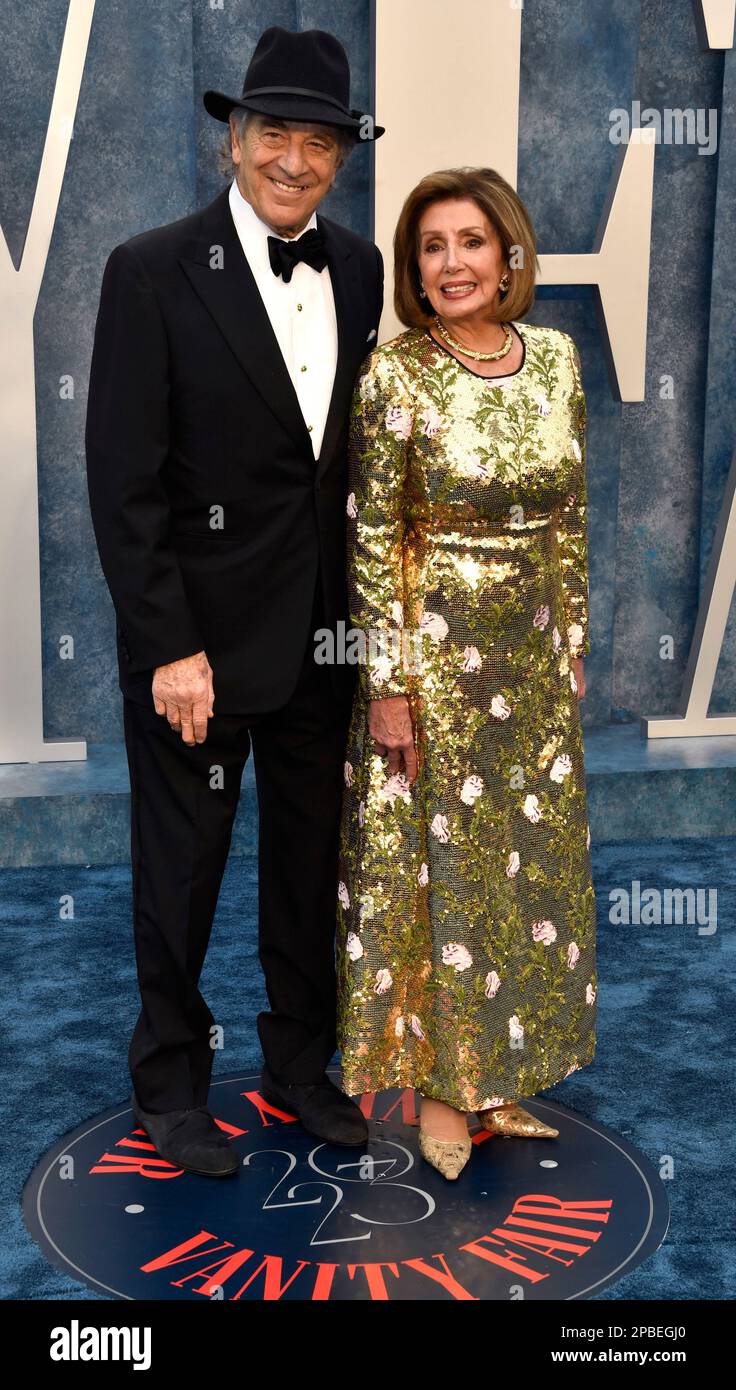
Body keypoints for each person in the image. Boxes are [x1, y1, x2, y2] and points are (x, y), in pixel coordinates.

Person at [85, 26, 385, 1175]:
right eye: (274, 135)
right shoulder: (149, 268)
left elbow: (344, 468)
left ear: (341, 160)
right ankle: (169, 1078)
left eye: (318, 142)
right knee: (184, 868)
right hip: (197, 649)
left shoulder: (356, 268)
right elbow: (123, 480)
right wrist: (168, 645)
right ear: (233, 138)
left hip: (321, 636)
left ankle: (301, 1065)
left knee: (311, 867)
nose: (293, 161)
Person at [336, 166, 597, 1180]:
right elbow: (372, 538)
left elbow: (571, 517)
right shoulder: (397, 374)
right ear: (416, 268)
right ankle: (442, 1086)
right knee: (442, 877)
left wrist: (570, 642)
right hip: (433, 664)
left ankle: (497, 1070)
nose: (451, 263)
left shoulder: (559, 361)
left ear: (509, 255)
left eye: (469, 242)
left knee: (522, 868)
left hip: (531, 666)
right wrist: (389, 686)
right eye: (431, 247)